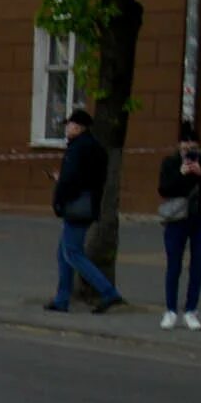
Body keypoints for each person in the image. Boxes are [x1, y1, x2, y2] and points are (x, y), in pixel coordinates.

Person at [47, 106, 125, 313]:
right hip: (89, 203)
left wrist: (59, 197)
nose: (67, 129)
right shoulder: (95, 147)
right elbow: (90, 177)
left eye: (70, 125)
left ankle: (108, 292)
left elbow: (72, 179)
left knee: (72, 253)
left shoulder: (77, 149)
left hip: (76, 205)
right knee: (64, 253)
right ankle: (62, 299)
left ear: (79, 127)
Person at [157, 120, 201, 329]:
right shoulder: (170, 163)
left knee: (197, 266)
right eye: (185, 147)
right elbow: (164, 189)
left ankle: (191, 310)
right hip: (177, 220)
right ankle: (170, 311)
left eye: (193, 148)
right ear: (179, 147)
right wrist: (182, 174)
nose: (189, 152)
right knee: (174, 265)